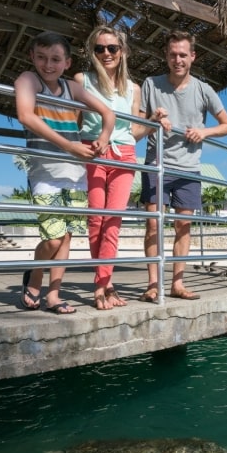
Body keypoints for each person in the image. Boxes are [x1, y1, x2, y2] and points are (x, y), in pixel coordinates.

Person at [14, 31, 115, 314]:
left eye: (56, 59)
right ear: (32, 57)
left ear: (67, 62)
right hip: (44, 173)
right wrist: (69, 146)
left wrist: (103, 139)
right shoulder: (28, 79)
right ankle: (34, 276)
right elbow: (25, 115)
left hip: (75, 175)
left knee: (67, 237)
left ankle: (53, 296)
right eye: (42, 57)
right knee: (53, 238)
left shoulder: (72, 88)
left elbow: (109, 114)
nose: (49, 64)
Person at [138, 30, 227, 302]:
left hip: (189, 168)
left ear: (192, 57)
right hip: (157, 165)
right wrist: (153, 120)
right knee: (153, 226)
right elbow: (135, 128)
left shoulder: (204, 89)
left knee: (183, 225)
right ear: (165, 56)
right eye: (172, 54)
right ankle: (153, 284)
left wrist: (204, 133)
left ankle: (177, 284)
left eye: (182, 55)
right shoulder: (151, 84)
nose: (177, 59)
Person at [74, 25, 146, 311]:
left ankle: (102, 284)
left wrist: (154, 121)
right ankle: (104, 283)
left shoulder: (133, 89)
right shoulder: (82, 80)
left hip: (125, 155)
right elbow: (74, 121)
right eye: (100, 48)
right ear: (92, 52)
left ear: (123, 51)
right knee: (96, 221)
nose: (106, 53)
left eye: (112, 48)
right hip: (94, 152)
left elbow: (134, 130)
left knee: (112, 222)